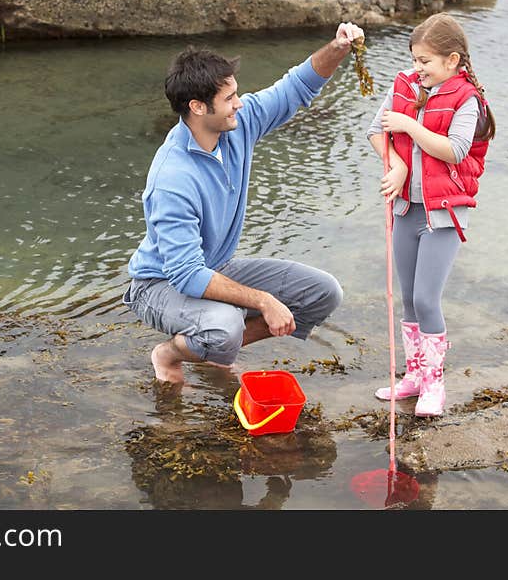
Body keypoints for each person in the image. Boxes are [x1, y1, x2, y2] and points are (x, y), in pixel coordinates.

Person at [124, 22, 364, 384]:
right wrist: (264, 301)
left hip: (214, 267)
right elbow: (187, 274)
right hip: (159, 285)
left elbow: (295, 87)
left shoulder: (238, 123)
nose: (239, 103)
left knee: (323, 292)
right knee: (225, 326)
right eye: (229, 98)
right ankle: (170, 353)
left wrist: (338, 48)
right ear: (198, 107)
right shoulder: (172, 179)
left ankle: (211, 351)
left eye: (237, 93)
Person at [366, 12, 496, 416]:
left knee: (426, 298)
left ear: (453, 61)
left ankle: (434, 386)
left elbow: (455, 151)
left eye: (425, 61)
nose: (416, 68)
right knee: (407, 297)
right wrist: (397, 166)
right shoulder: (405, 84)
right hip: (407, 207)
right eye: (415, 59)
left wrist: (408, 123)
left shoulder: (467, 99)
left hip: (443, 214)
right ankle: (413, 377)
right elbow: (375, 130)